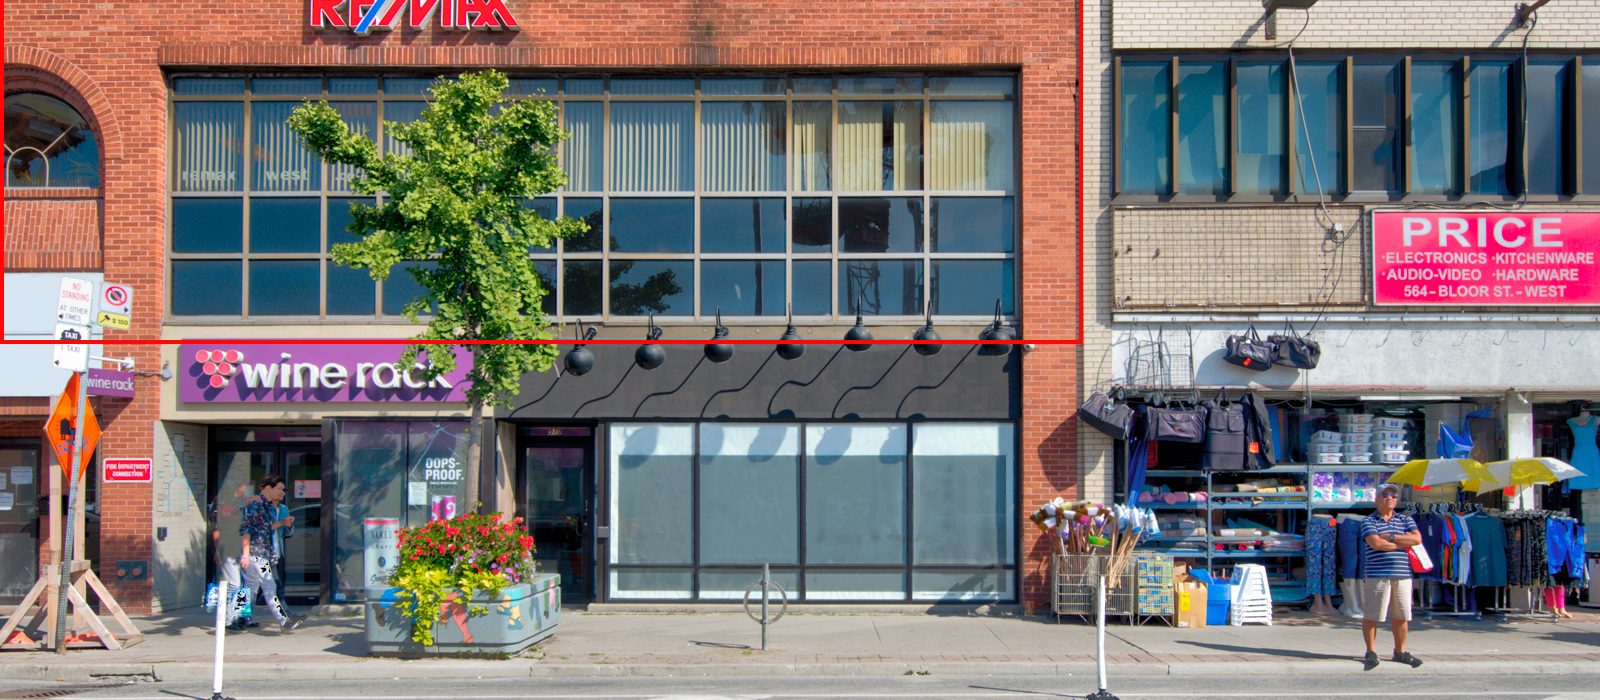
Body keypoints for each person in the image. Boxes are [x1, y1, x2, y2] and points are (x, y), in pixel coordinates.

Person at [228, 475, 304, 632]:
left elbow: (267, 527)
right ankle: (284, 621)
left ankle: (239, 618)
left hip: (261, 554)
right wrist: (245, 554)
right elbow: (246, 530)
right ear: (268, 488)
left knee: (250, 589)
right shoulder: (255, 504)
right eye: (280, 489)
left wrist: (283, 523)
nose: (283, 492)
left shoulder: (267, 506)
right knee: (270, 587)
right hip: (257, 554)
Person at [1359, 482, 1423, 670]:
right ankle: (1371, 651)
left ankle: (1400, 651)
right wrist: (1403, 542)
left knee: (1402, 614)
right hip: (1377, 574)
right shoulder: (1369, 521)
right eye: (1385, 495)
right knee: (1372, 614)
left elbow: (1417, 539)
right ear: (1377, 499)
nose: (1390, 498)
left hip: (1403, 574)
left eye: (1394, 495)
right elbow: (1376, 544)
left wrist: (1392, 537)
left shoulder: (1405, 519)